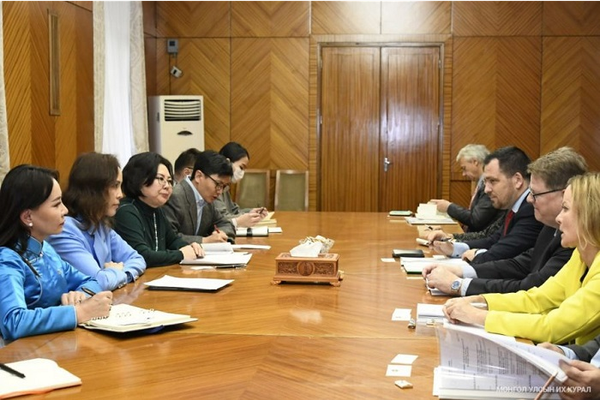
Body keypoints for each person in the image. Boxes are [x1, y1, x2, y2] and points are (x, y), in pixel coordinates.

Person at [443, 172, 600, 346]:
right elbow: (537, 299)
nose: (558, 218)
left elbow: (553, 327)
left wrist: (479, 316)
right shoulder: (580, 255)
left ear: (589, 215)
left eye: (565, 209)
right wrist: (482, 301)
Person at [424, 147, 587, 296]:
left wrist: (458, 285)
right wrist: (461, 271)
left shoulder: (575, 238)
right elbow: (521, 264)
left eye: (535, 194)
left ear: (564, 194)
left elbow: (533, 288)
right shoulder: (551, 227)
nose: (529, 200)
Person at [0, 165, 112, 341]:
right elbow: (13, 322)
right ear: (28, 217)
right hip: (23, 357)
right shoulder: (7, 259)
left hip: (56, 343)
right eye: (57, 204)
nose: (65, 211)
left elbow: (90, 280)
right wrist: (78, 312)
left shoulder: (46, 249)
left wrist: (80, 294)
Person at [48, 153, 147, 291]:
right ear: (94, 188)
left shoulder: (100, 224)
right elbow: (98, 281)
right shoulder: (64, 229)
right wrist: (116, 272)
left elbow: (137, 259)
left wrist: (118, 273)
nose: (120, 194)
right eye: (115, 186)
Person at [431, 146, 544, 264]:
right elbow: (493, 240)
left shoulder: (531, 208)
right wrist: (454, 248)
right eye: (485, 182)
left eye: (493, 181)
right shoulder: (514, 204)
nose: (487, 190)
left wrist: (475, 256)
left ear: (517, 180)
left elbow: (504, 253)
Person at [114, 152, 204, 267]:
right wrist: (180, 254)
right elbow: (142, 255)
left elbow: (173, 240)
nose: (167, 186)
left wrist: (189, 246)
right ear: (140, 179)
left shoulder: (157, 210)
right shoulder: (126, 211)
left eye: (170, 181)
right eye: (161, 179)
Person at [164, 150, 235, 243]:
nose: (220, 191)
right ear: (198, 176)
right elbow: (169, 238)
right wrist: (204, 240)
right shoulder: (175, 196)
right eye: (218, 184)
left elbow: (226, 223)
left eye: (224, 186)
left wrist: (221, 235)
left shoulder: (206, 199)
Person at [429, 144, 501, 232]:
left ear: (475, 162)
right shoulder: (480, 182)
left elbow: (476, 219)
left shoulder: (488, 186)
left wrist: (449, 207)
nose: (463, 174)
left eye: (464, 168)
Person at [215, 142, 268, 228]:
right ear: (228, 162)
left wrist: (251, 212)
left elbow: (233, 210)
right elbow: (221, 219)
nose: (242, 172)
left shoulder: (225, 186)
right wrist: (241, 220)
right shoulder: (214, 186)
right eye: (241, 167)